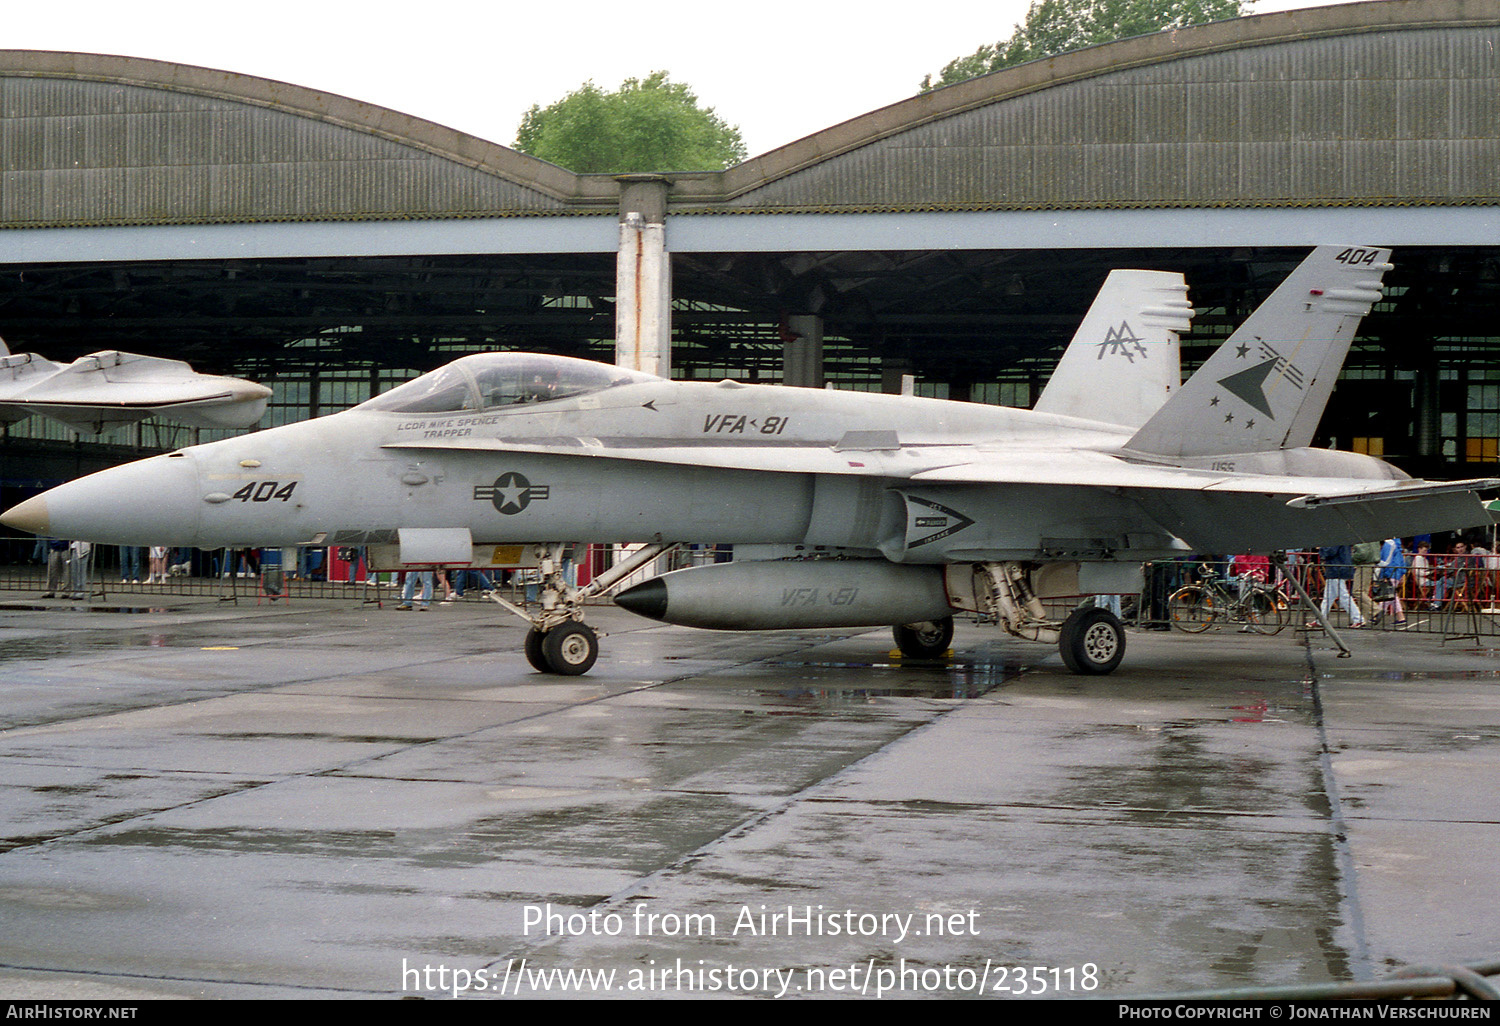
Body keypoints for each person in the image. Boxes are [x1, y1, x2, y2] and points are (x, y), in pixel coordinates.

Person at [1314, 544, 1365, 629]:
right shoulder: (1341, 538)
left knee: (1343, 596)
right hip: (1340, 568)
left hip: (1336, 569)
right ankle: (1320, 620)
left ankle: (1358, 619)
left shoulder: (1334, 539)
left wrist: (1321, 548)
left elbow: (1330, 552)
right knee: (1328, 598)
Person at [1375, 537, 1408, 628]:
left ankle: (1378, 613)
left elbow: (1385, 561)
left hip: (1390, 573)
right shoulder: (1398, 546)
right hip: (1397, 573)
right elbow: (1402, 562)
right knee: (1392, 595)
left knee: (1388, 595)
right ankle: (1400, 617)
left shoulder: (1388, 544)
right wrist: (1402, 574)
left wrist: (1383, 574)